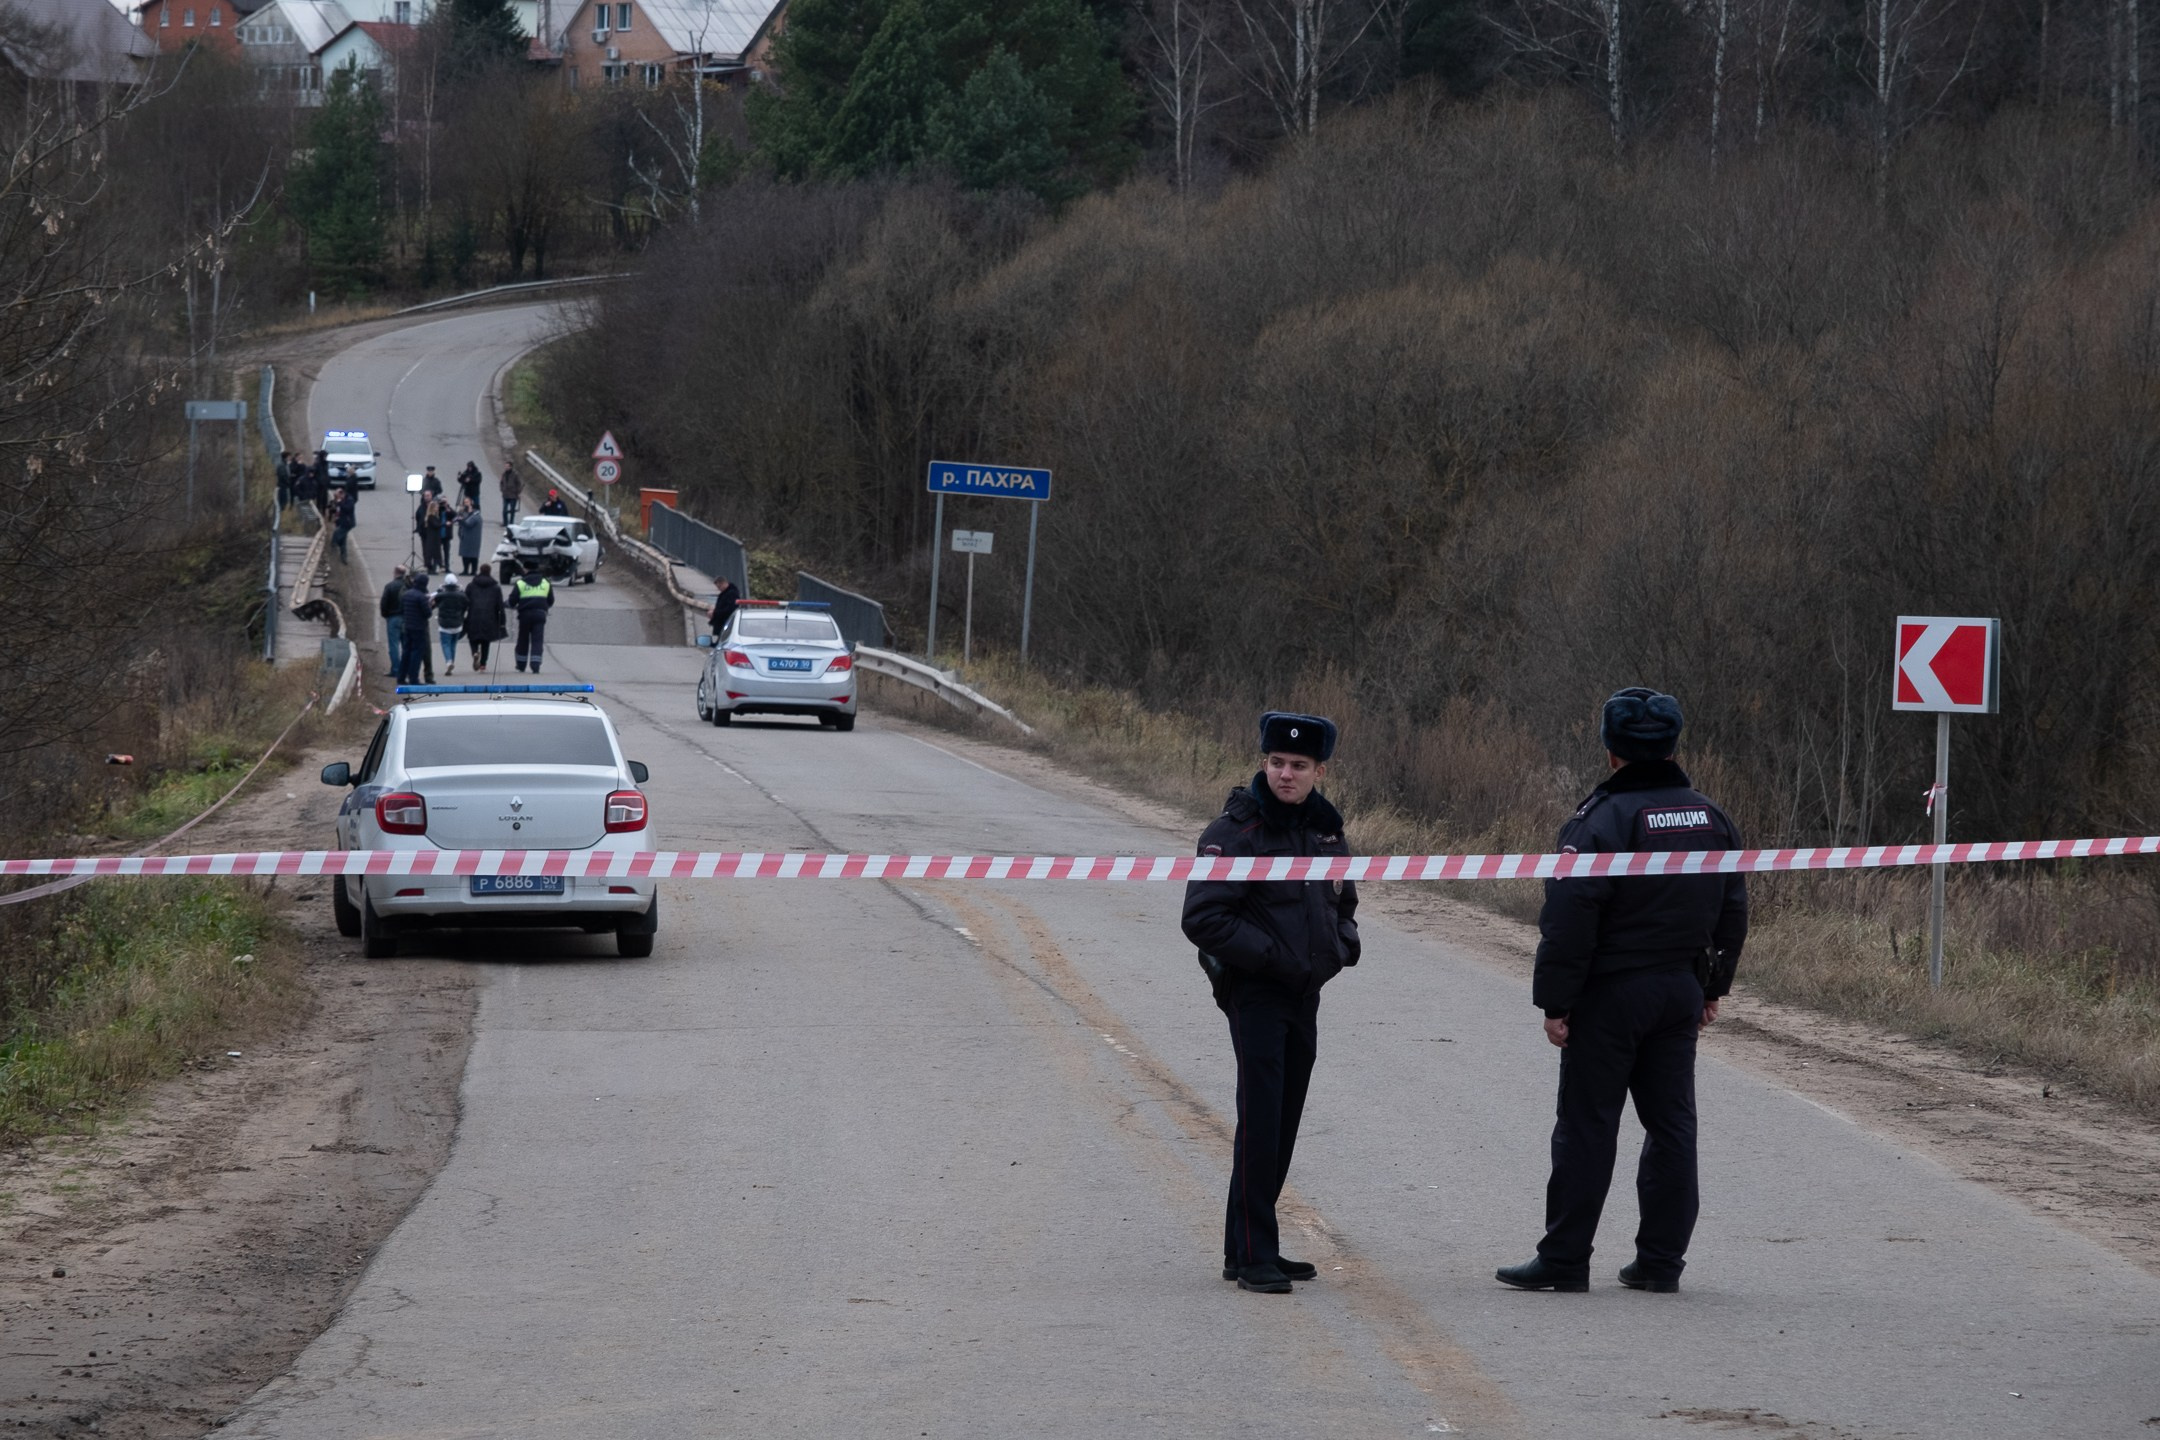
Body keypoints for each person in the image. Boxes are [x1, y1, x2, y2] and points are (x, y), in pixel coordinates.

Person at [1496, 688, 1749, 1296]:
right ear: (1672, 745)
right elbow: (1732, 908)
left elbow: (1569, 918)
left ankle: (1563, 1259)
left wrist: (1557, 1003)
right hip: (1678, 990)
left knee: (1587, 1125)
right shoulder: (1710, 818)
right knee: (1672, 1127)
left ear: (1610, 751)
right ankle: (1661, 1263)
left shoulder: (1600, 821)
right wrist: (1712, 987)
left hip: (1612, 995)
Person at [1181, 712, 1360, 1296]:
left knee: (1282, 1119)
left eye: (1299, 766)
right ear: (1264, 763)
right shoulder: (1236, 832)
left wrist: (1341, 950)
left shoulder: (1326, 832)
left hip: (1304, 993)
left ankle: (1248, 1248)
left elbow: (1343, 904)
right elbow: (1203, 917)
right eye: (1278, 763)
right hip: (1255, 991)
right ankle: (1256, 1252)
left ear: (1319, 771)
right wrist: (1275, 960)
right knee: (1261, 1119)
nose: (1287, 774)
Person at [511, 566, 554, 674]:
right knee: (537, 640)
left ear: (526, 571)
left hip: (524, 615)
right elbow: (551, 600)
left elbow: (512, 601)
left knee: (523, 640)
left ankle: (521, 665)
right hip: (540, 614)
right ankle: (535, 665)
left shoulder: (521, 583)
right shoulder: (546, 583)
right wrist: (544, 607)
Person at [464, 564, 507, 673]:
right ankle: (483, 664)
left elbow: (465, 601)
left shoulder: (471, 586)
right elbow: (500, 606)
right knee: (485, 642)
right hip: (490, 617)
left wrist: (461, 615)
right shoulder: (495, 587)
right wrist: (502, 621)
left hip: (473, 616)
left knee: (473, 638)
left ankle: (474, 652)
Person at [396, 571, 435, 686]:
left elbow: (401, 609)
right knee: (416, 653)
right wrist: (431, 605)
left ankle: (401, 677)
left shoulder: (406, 594)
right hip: (419, 628)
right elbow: (427, 614)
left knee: (406, 652)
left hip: (407, 626)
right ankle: (414, 678)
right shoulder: (421, 597)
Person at [379, 564, 409, 677]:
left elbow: (384, 603)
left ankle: (396, 669)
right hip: (406, 618)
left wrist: (385, 614)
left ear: (395, 573)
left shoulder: (390, 586)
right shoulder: (408, 587)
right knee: (406, 645)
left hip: (393, 618)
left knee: (394, 645)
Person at [434, 576, 468, 677]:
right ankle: (451, 661)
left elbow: (435, 601)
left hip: (444, 623)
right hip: (457, 623)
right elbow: (466, 604)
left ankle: (449, 661)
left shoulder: (441, 595)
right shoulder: (461, 596)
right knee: (453, 645)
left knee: (445, 644)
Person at [456, 499, 484, 577]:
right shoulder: (475, 516)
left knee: (469, 556)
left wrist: (460, 520)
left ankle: (469, 570)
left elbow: (468, 524)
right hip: (470, 539)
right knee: (471, 556)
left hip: (470, 539)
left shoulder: (475, 517)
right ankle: (471, 570)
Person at [329, 486, 356, 563]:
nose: (336, 497)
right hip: (340, 522)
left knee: (337, 533)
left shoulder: (349, 500)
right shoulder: (339, 500)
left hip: (348, 522)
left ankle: (333, 545)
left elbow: (348, 509)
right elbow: (337, 510)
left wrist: (339, 503)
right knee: (343, 540)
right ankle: (344, 557)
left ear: (342, 494)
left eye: (337, 495)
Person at [275, 451, 293, 515]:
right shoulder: (282, 466)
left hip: (284, 486)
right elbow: (282, 476)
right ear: (286, 457)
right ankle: (280, 512)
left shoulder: (285, 465)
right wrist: (288, 482)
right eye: (289, 456)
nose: (290, 458)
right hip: (282, 486)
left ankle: (281, 512)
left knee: (285, 500)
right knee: (283, 501)